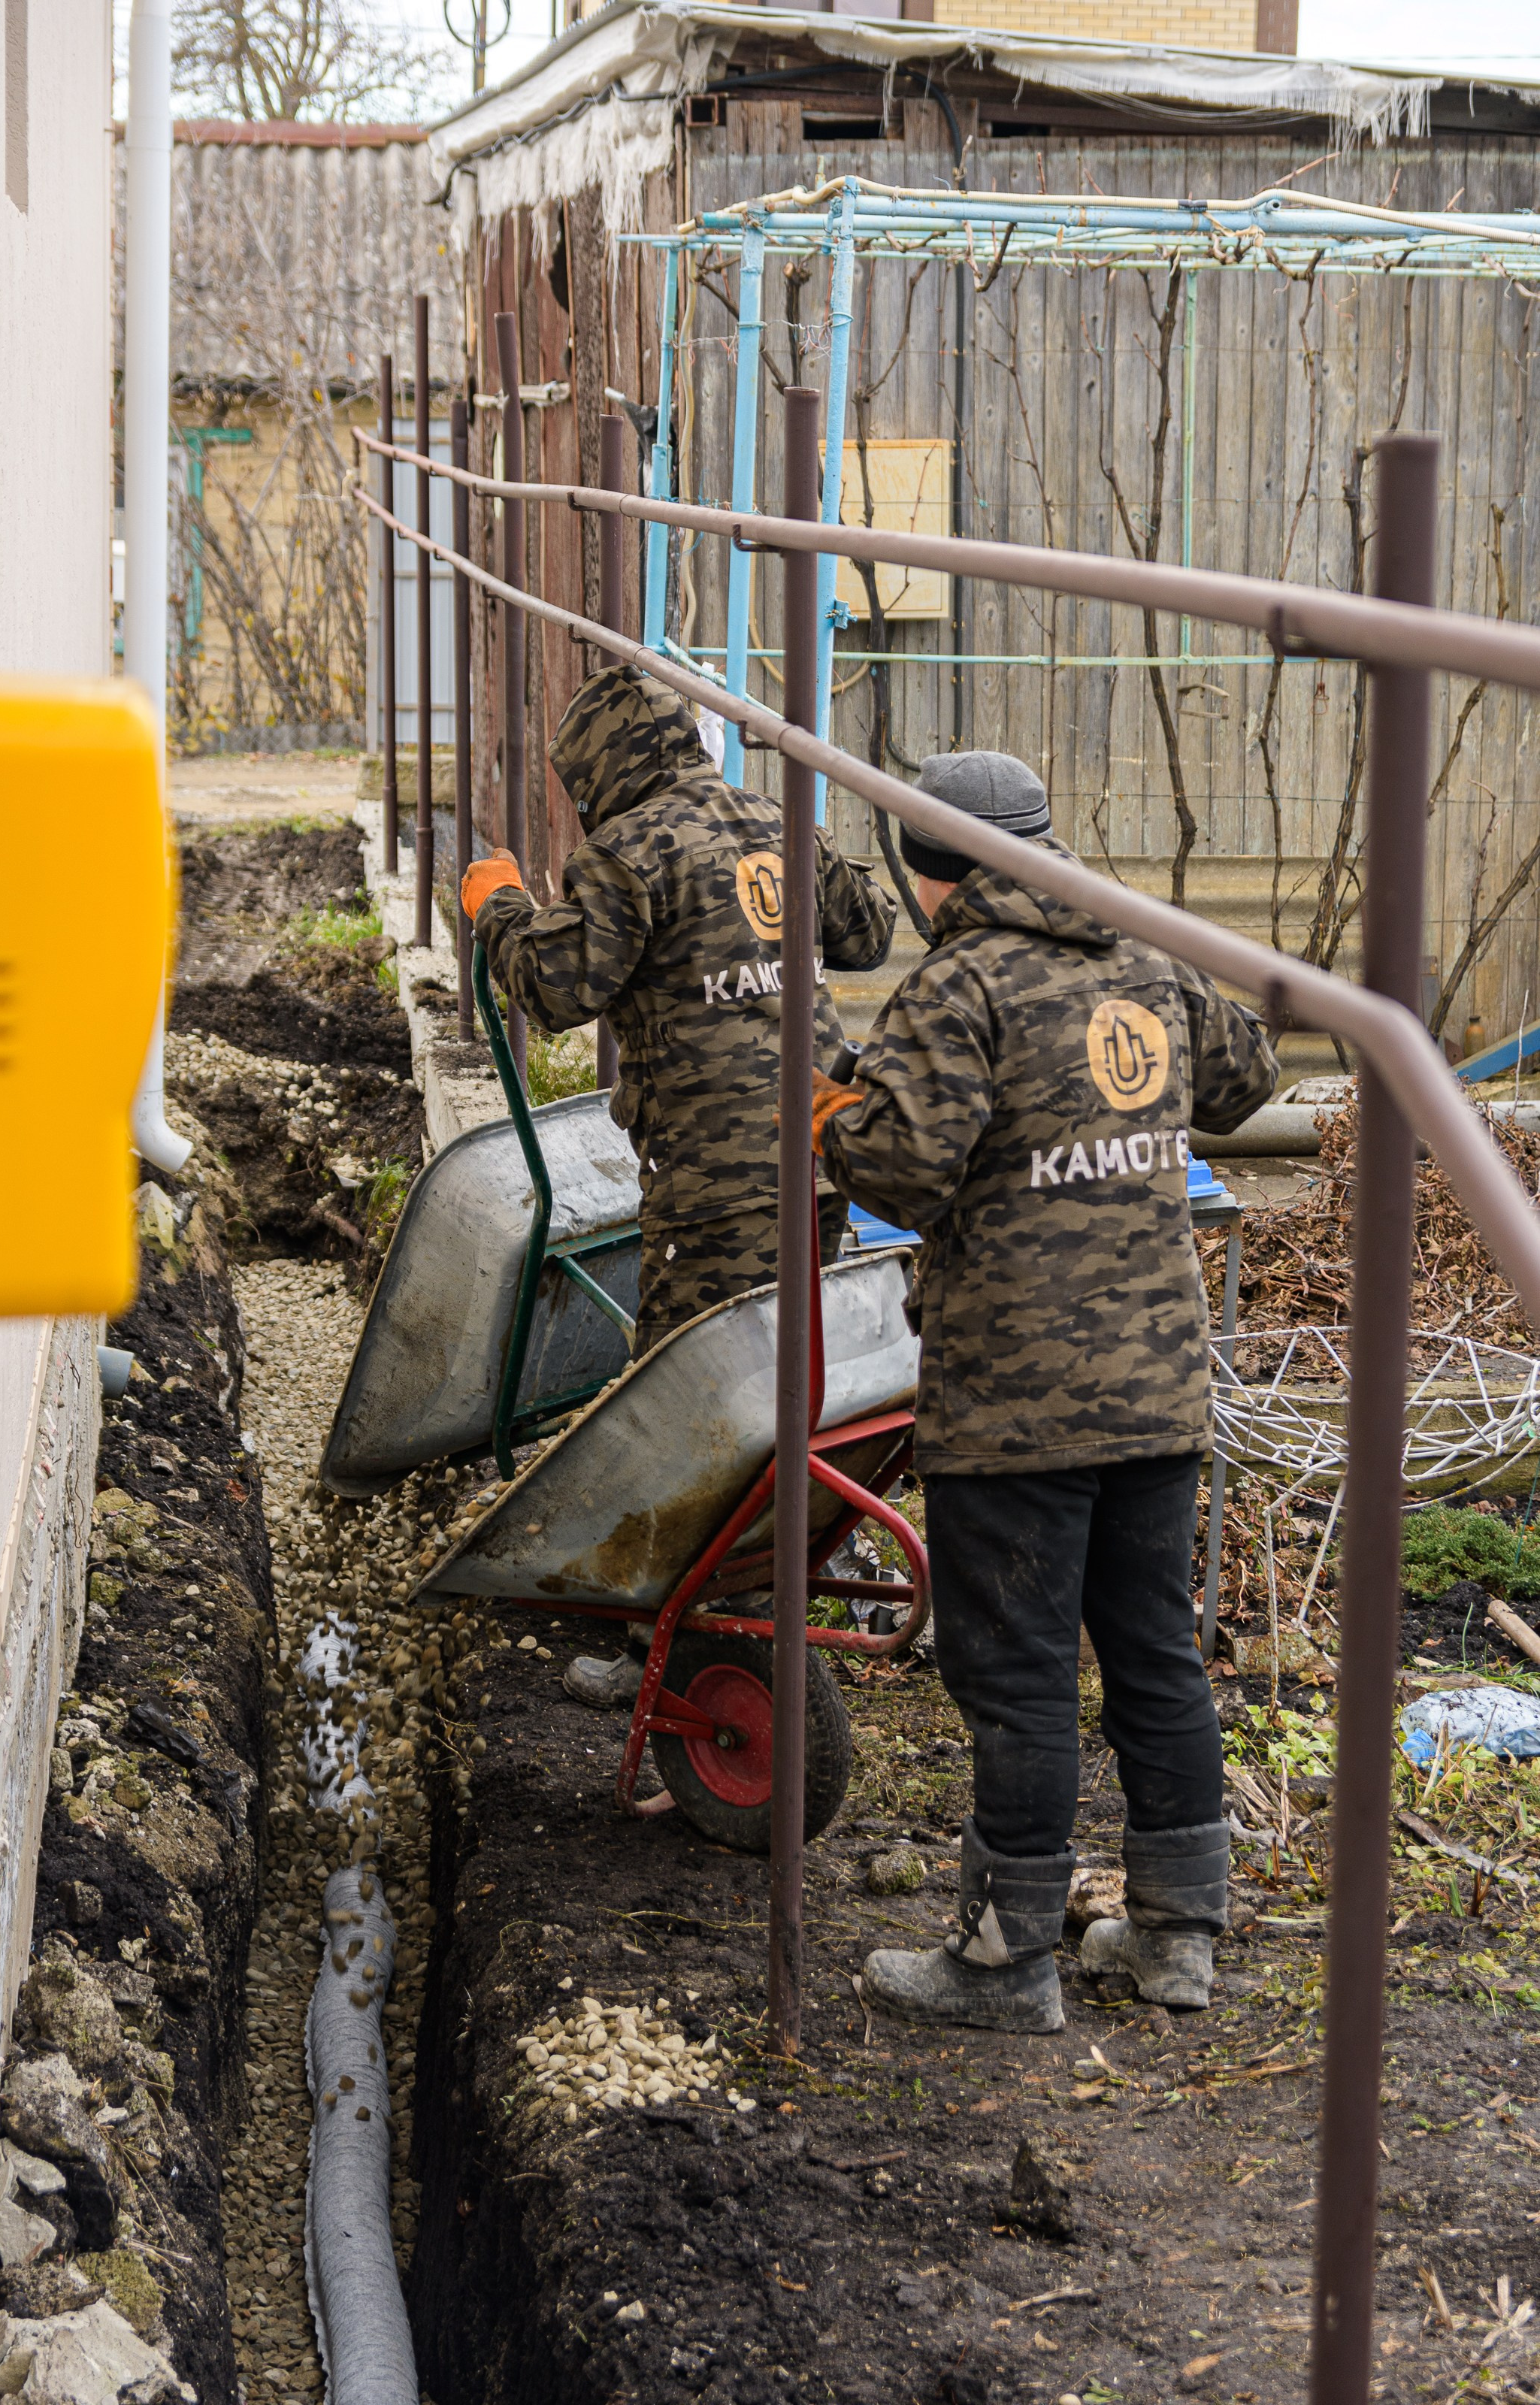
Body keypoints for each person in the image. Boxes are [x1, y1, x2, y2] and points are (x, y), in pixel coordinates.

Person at [811, 751, 1277, 2030]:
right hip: (1157, 1389)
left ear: (928, 875)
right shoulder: (1142, 946)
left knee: (1016, 1679)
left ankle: (1005, 1961)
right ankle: (1177, 1937)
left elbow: (899, 1170)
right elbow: (1244, 1078)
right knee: (1152, 1656)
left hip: (1015, 1404)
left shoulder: (959, 983)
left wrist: (829, 1109)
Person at [461, 661, 896, 1704]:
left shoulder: (628, 852)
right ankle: (812, 1561)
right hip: (827, 1152)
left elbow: (560, 988)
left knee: (685, 1396)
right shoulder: (768, 823)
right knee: (798, 1364)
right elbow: (869, 931)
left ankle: (666, 1631)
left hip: (714, 1174)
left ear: (601, 770)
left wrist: (500, 908)